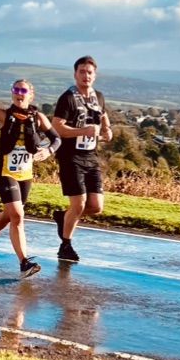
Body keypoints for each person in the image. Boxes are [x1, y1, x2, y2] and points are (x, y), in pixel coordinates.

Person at [0, 80, 61, 279]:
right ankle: (24, 263)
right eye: (16, 90)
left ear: (30, 94)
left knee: (11, 214)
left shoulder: (38, 118)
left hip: (25, 175)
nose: (19, 93)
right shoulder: (3, 115)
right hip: (5, 172)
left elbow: (56, 139)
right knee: (18, 215)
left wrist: (48, 151)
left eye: (23, 90)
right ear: (12, 93)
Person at [51, 55, 113, 263]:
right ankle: (65, 246)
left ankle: (63, 217)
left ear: (95, 75)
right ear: (75, 74)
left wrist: (107, 129)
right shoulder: (67, 98)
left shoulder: (99, 97)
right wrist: (82, 131)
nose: (86, 76)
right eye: (82, 72)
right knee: (79, 204)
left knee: (96, 206)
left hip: (91, 157)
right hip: (71, 157)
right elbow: (57, 127)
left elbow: (103, 114)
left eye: (89, 72)